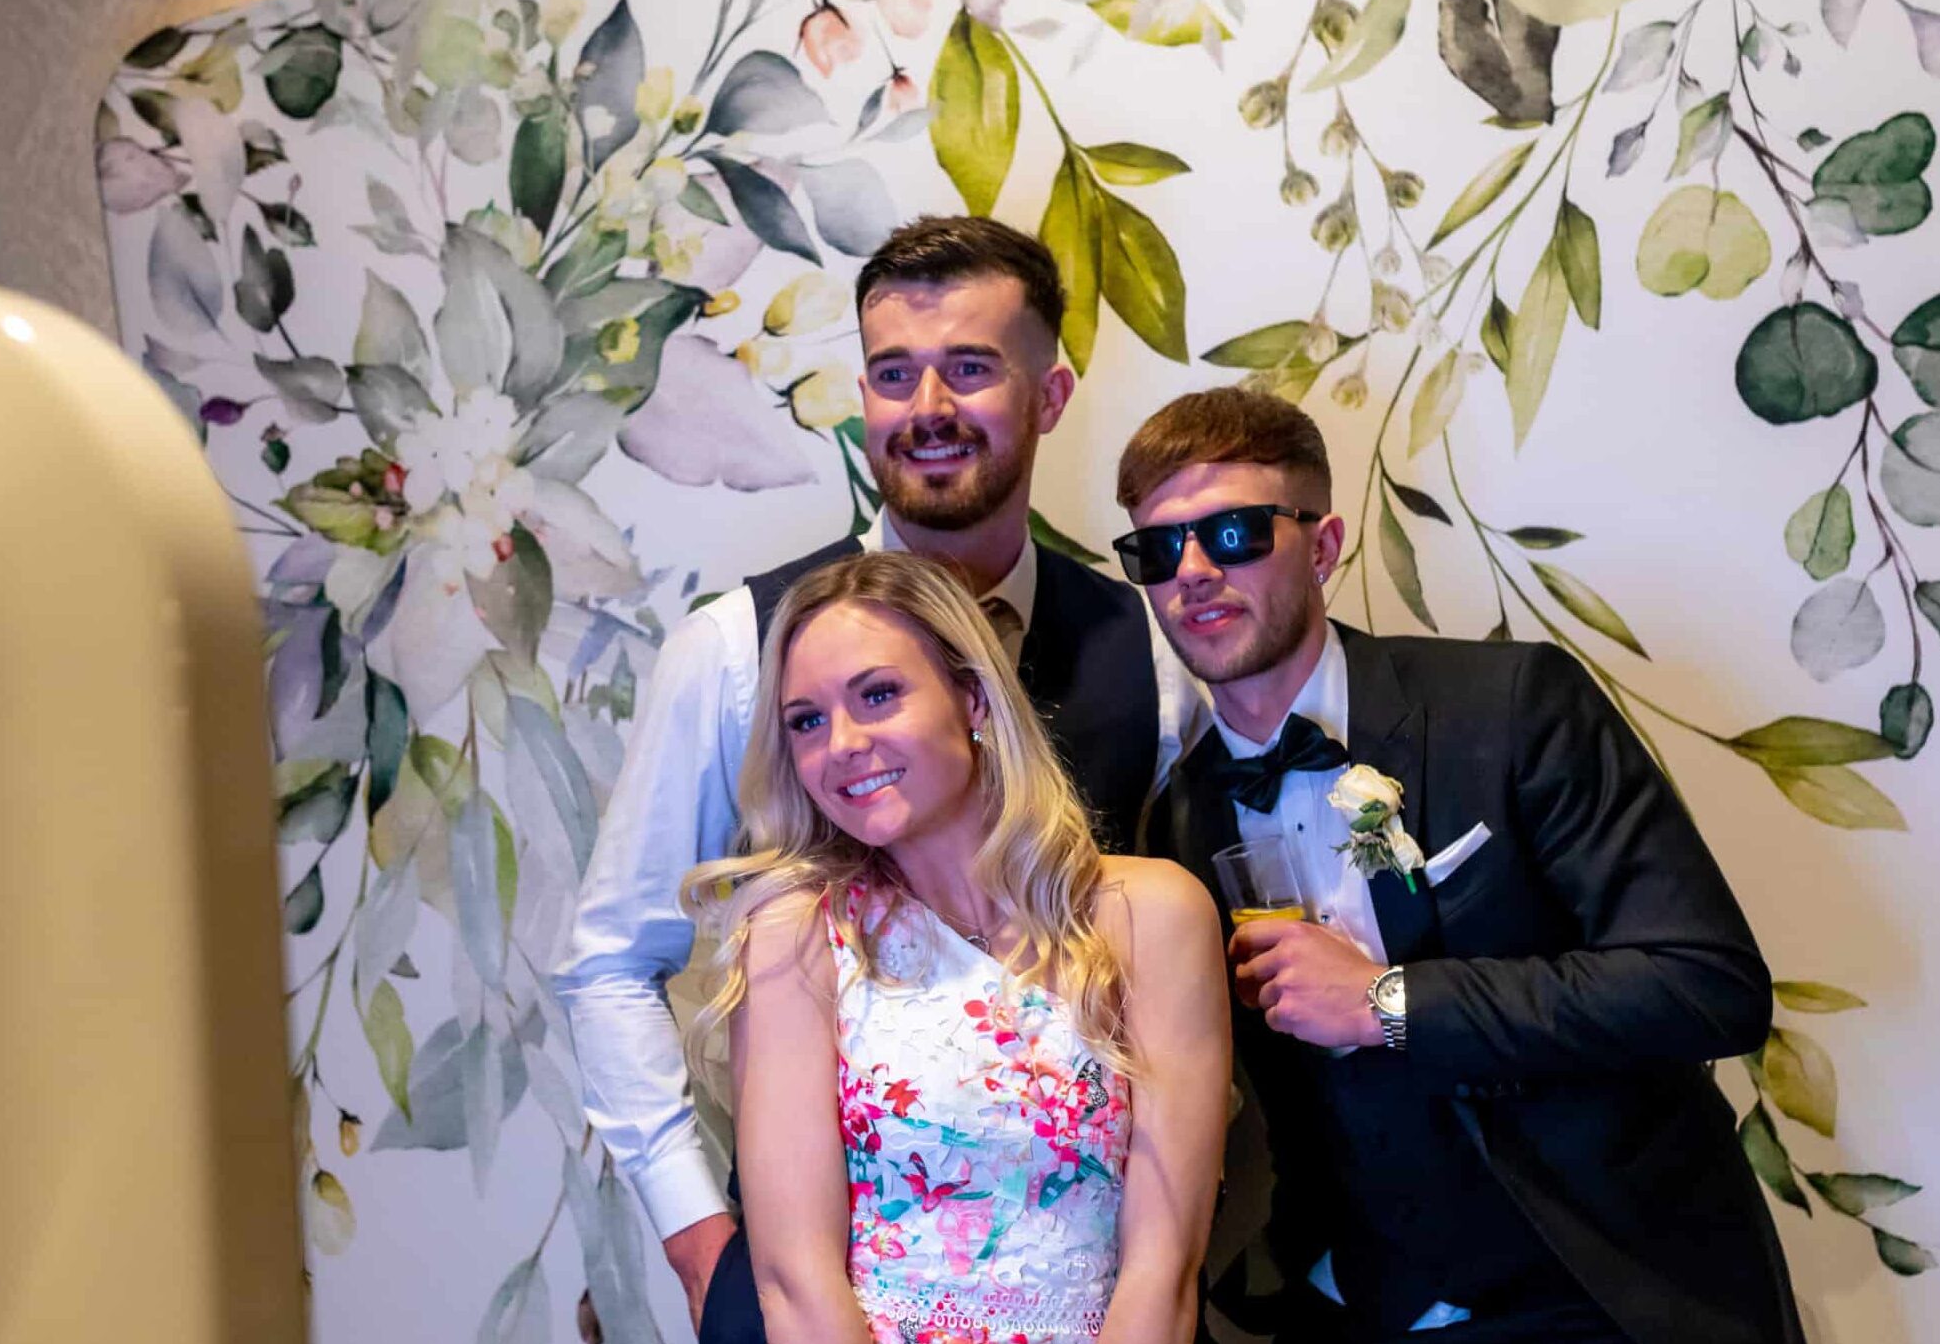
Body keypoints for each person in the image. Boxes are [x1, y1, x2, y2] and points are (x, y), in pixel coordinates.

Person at [555, 216, 1206, 1340]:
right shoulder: (732, 646)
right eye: (895, 375)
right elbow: (610, 963)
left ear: (1046, 399)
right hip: (810, 1292)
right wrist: (702, 1241)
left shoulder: (1151, 656)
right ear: (862, 397)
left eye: (969, 369)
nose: (929, 409)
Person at [1117, 387, 1801, 1344]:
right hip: (1361, 1300)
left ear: (1321, 545)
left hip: (1597, 1281)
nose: (1191, 571)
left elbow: (1706, 985)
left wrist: (1389, 1003)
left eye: (1234, 534)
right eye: (1157, 549)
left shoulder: (1514, 705)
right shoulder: (1175, 819)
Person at [681, 551, 1229, 1344]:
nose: (842, 743)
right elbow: (796, 1281)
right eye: (807, 720)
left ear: (971, 695)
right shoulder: (794, 933)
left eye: (878, 695)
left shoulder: (1154, 914)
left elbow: (1165, 1266)